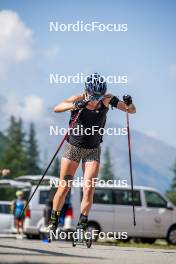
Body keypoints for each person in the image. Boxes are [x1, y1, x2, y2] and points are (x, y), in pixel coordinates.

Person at [46, 73, 136, 236]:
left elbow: (131, 111)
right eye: (94, 95)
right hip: (73, 148)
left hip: (93, 150)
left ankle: (82, 225)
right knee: (64, 187)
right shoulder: (78, 98)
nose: (96, 99)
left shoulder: (107, 99)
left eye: (99, 95)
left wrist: (130, 104)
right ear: (87, 91)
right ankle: (53, 220)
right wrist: (75, 105)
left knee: (88, 188)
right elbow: (56, 108)